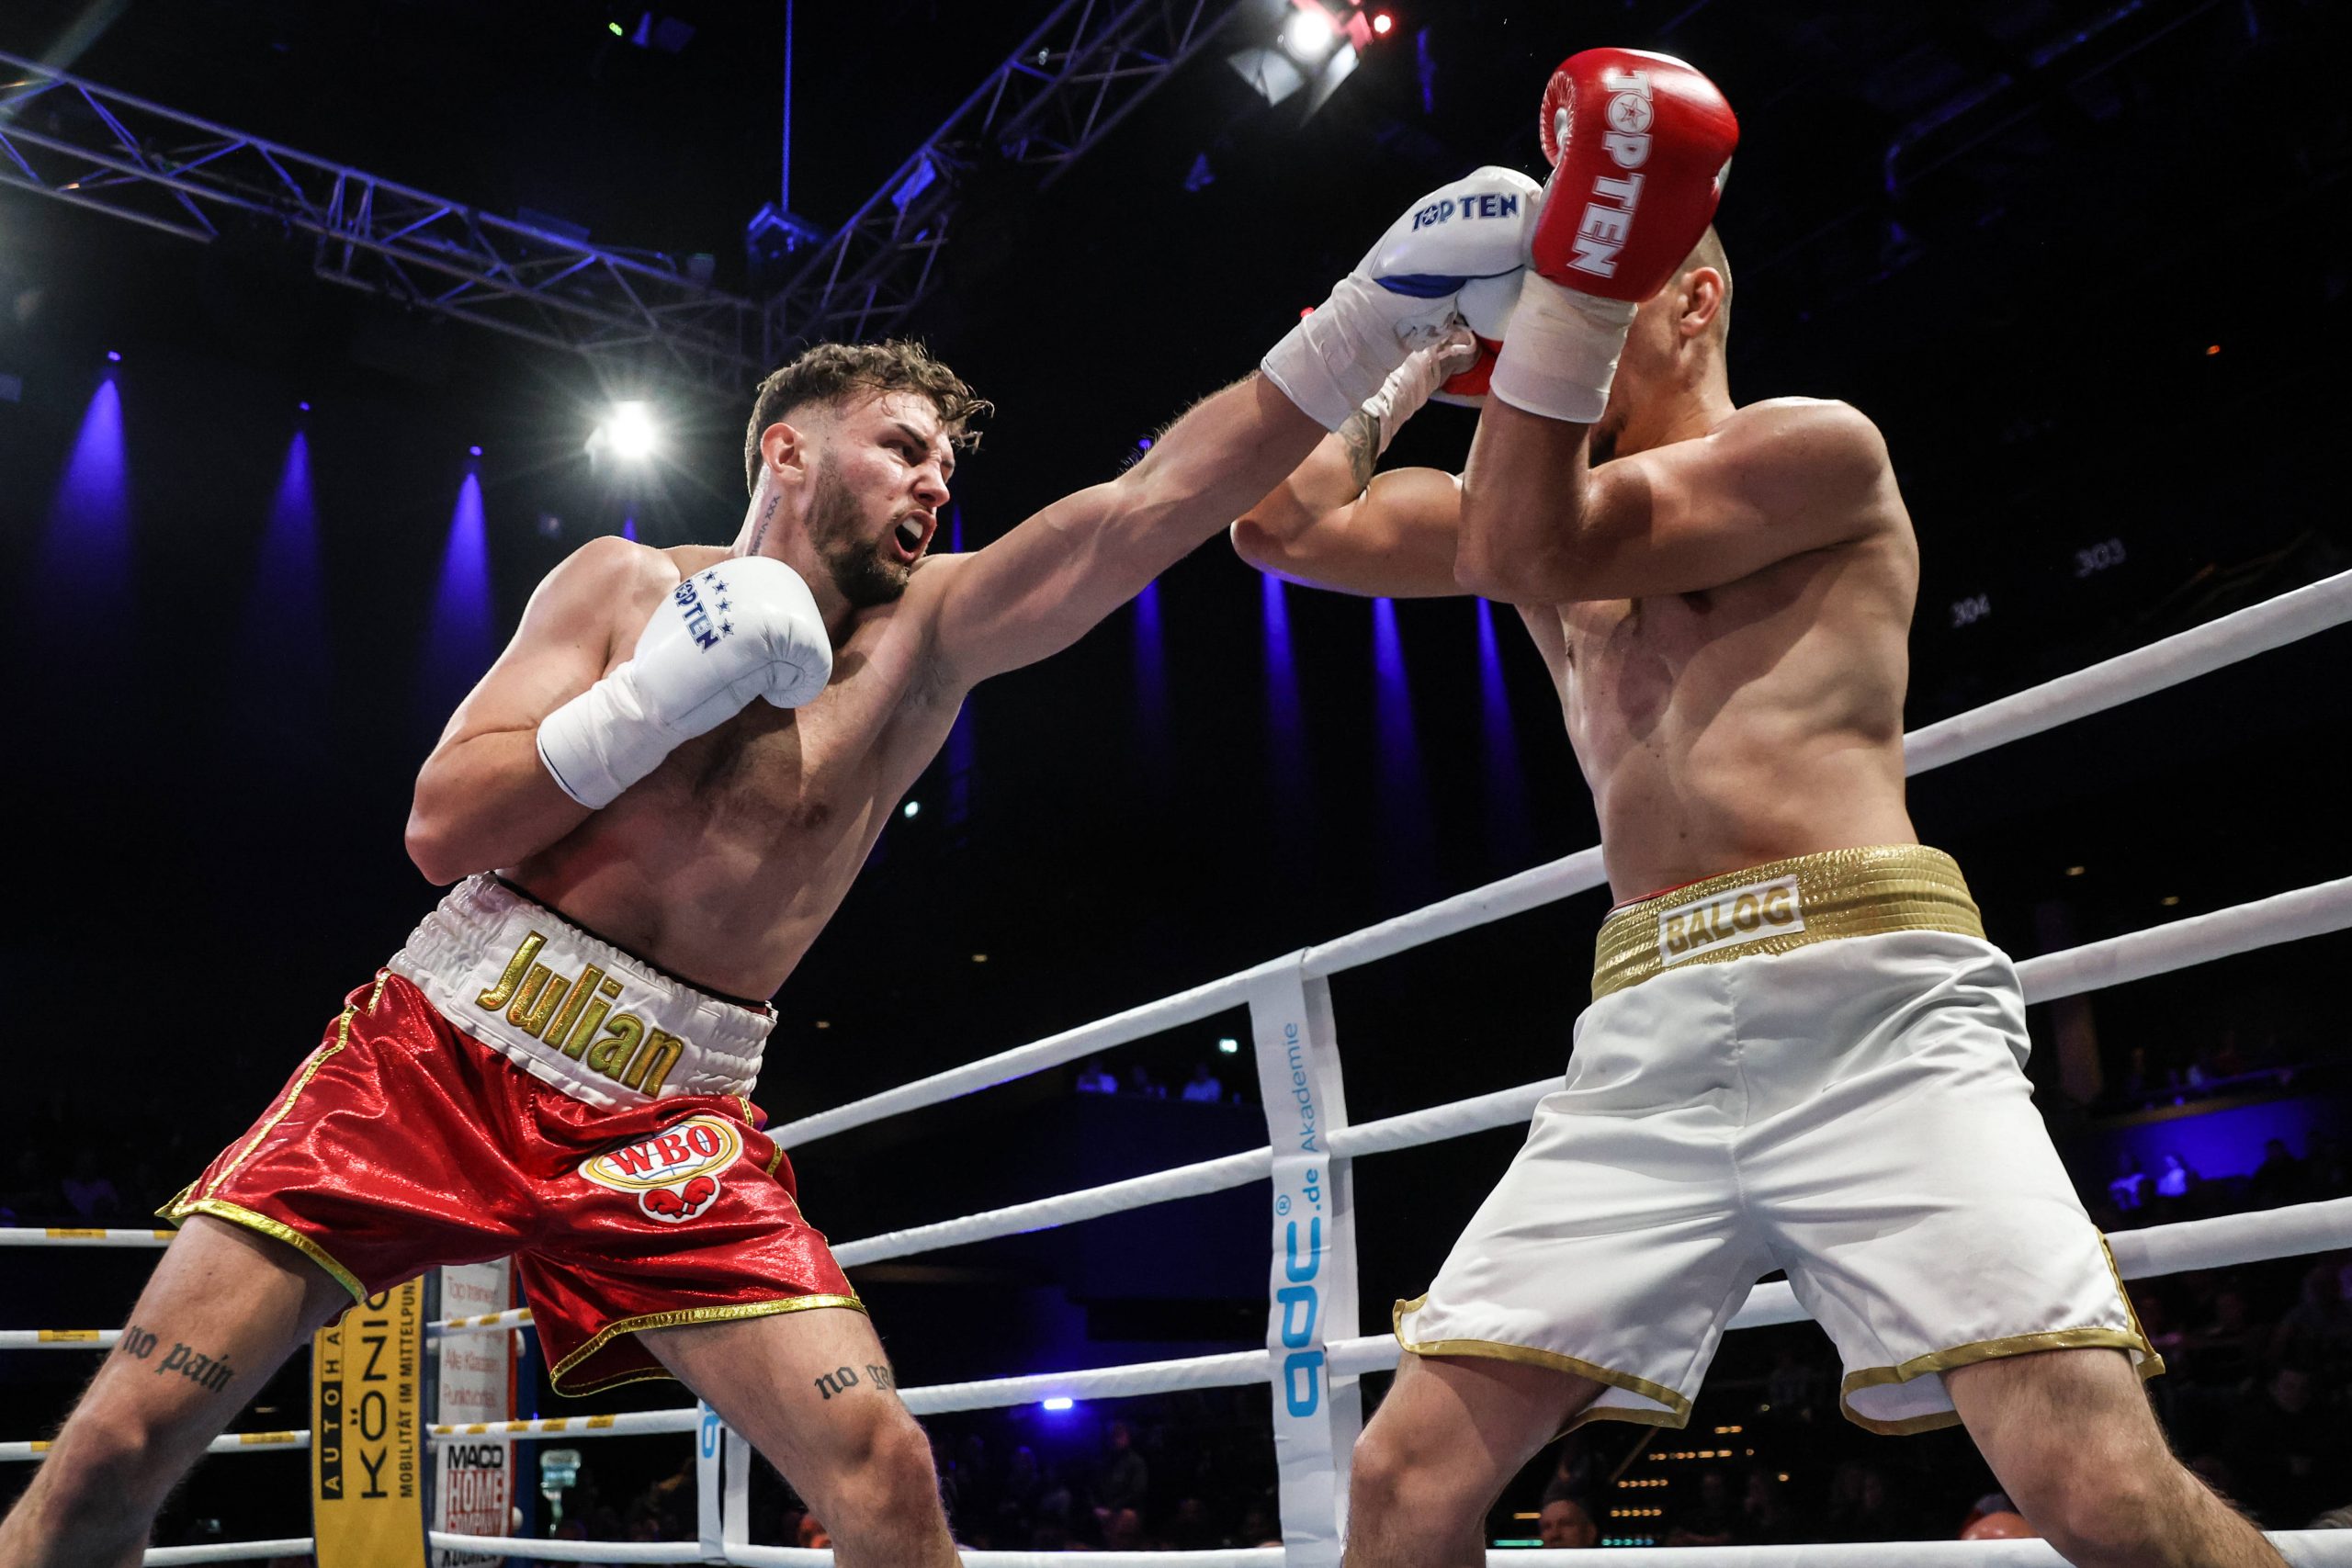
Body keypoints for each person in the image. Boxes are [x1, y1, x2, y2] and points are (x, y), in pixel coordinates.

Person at [0, 164, 1537, 1568]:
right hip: (435, 1061)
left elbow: (1150, 508)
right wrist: (652, 699)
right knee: (113, 1457)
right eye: (905, 448)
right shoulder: (619, 586)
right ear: (788, 450)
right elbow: (440, 828)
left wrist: (1369, 325)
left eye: (948, 466)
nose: (938, 486)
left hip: (672, 1119)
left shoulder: (933, 641)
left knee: (882, 1475)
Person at [1234, 45, 2284, 1568]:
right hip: (1644, 1032)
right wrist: (1396, 331)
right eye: (1528, 307)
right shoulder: (1523, 497)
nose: (1540, 329)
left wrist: (1575, 286)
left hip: (1869, 1004)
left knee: (2098, 1492)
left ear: (1695, 298)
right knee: (1402, 1491)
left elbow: (1541, 542)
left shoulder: (1817, 448)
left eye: (1589, 287)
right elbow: (1283, 525)